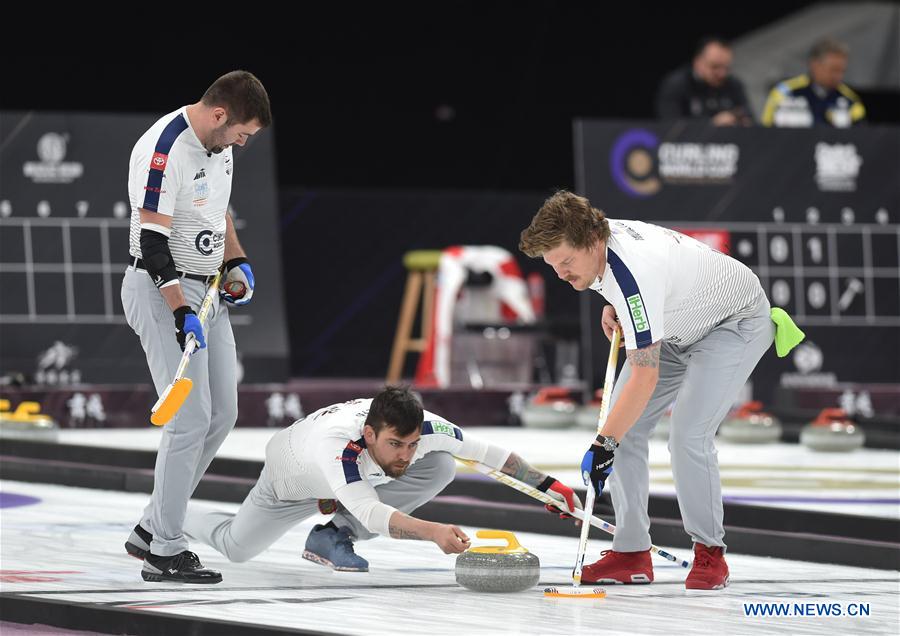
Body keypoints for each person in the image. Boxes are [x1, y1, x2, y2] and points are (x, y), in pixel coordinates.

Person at [519, 190, 776, 590]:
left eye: (566, 262)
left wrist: (604, 445)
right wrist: (616, 307)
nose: (562, 275)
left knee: (687, 433)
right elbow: (632, 291)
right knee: (624, 429)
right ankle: (632, 553)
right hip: (677, 328)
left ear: (591, 242)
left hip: (733, 323)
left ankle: (711, 554)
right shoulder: (603, 246)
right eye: (553, 266)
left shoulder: (633, 271)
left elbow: (644, 378)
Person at [121, 70, 272, 584]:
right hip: (162, 288)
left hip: (207, 292)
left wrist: (238, 262)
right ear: (219, 115)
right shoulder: (164, 149)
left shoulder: (218, 145)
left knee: (222, 414)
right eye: (242, 134)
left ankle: (150, 527)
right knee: (188, 420)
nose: (242, 145)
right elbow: (152, 242)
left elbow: (217, 210)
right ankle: (164, 549)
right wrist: (180, 310)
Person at [181, 387, 581, 570]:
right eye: (395, 445)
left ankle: (332, 535)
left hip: (351, 483)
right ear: (370, 434)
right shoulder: (337, 444)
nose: (405, 456)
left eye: (411, 444)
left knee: (441, 464)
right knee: (237, 547)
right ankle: (171, 516)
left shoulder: (426, 431)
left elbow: (488, 455)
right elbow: (372, 513)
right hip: (291, 482)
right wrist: (433, 532)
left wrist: (548, 486)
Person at [762, 37, 865, 128]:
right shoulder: (785, 92)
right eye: (833, 69)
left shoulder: (850, 99)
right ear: (814, 65)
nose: (838, 76)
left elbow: (863, 139)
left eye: (842, 71)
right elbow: (766, 133)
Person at [655, 36, 753, 126]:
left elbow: (751, 120)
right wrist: (712, 124)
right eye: (715, 67)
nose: (722, 73)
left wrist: (742, 121)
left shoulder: (734, 84)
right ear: (697, 62)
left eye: (726, 68)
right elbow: (669, 127)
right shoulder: (676, 84)